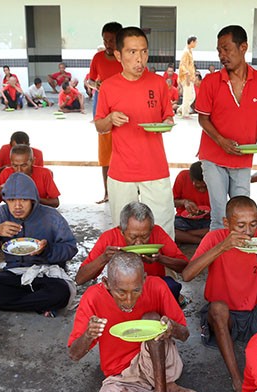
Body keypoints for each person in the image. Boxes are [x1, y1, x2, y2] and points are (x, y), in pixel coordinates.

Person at [68, 252, 205, 392]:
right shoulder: (93, 297)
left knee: (150, 318)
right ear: (106, 283)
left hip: (161, 365)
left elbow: (185, 334)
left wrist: (172, 328)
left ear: (144, 279)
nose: (129, 300)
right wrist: (88, 335)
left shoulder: (157, 286)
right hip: (121, 376)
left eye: (136, 290)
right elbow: (74, 354)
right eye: (121, 292)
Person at [182, 196, 257, 392]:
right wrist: (222, 247)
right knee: (218, 309)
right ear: (227, 223)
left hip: (254, 313)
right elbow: (187, 275)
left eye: (253, 224)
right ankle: (237, 380)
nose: (248, 231)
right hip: (223, 318)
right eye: (240, 226)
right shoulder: (215, 238)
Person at [95, 26, 176, 239]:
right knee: (123, 232)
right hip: (122, 171)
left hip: (155, 168)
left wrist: (167, 122)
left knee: (163, 228)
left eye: (144, 51)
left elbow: (167, 116)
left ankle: (167, 272)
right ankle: (125, 272)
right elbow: (100, 126)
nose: (140, 59)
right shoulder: (108, 87)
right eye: (132, 52)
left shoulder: (158, 84)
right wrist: (110, 119)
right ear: (118, 55)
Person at [196, 25, 257, 231]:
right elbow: (203, 119)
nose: (222, 55)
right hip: (213, 157)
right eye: (218, 50)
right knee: (220, 214)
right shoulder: (211, 82)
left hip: (243, 158)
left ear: (243, 47)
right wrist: (221, 141)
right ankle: (218, 261)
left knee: (242, 212)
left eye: (226, 49)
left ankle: (238, 258)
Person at [0, 173, 78, 315]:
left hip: (46, 275)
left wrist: (47, 250)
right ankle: (39, 305)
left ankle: (0, 305)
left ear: (33, 200)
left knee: (61, 293)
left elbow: (71, 248)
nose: (17, 206)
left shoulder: (51, 216)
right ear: (5, 200)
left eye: (24, 199)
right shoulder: (1, 214)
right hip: (14, 274)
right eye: (11, 200)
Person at [76, 202, 188, 302]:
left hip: (150, 289)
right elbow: (80, 278)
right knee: (96, 296)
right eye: (133, 237)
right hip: (121, 293)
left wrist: (160, 259)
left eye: (145, 236)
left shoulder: (157, 232)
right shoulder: (109, 237)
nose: (138, 242)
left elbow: (185, 267)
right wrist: (103, 258)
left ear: (151, 229)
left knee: (171, 286)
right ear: (121, 230)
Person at [0, 145, 60, 239]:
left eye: (24, 165)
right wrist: (1, 189)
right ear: (10, 162)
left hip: (39, 214)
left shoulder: (44, 173)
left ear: (33, 161)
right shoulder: (7, 173)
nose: (19, 170)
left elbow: (55, 202)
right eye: (15, 166)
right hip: (14, 215)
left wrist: (33, 199)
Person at [87, 22, 124, 204]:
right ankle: (108, 192)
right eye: (105, 40)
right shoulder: (98, 58)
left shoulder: (126, 58)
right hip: (103, 113)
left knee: (126, 153)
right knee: (105, 156)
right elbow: (90, 81)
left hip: (125, 114)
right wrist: (97, 85)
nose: (108, 44)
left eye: (112, 40)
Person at [172, 161, 211, 245]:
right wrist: (184, 202)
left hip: (206, 220)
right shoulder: (182, 177)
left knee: (219, 228)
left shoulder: (214, 182)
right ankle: (200, 241)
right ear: (191, 179)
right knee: (169, 229)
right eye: (198, 187)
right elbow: (171, 202)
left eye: (205, 187)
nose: (202, 190)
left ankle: (186, 236)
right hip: (184, 220)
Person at [178, 36, 198, 118]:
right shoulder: (186, 52)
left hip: (190, 77)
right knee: (187, 96)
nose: (196, 44)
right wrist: (187, 77)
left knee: (192, 96)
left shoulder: (189, 51)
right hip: (187, 77)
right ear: (192, 42)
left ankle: (181, 109)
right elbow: (183, 65)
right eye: (196, 42)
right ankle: (184, 113)